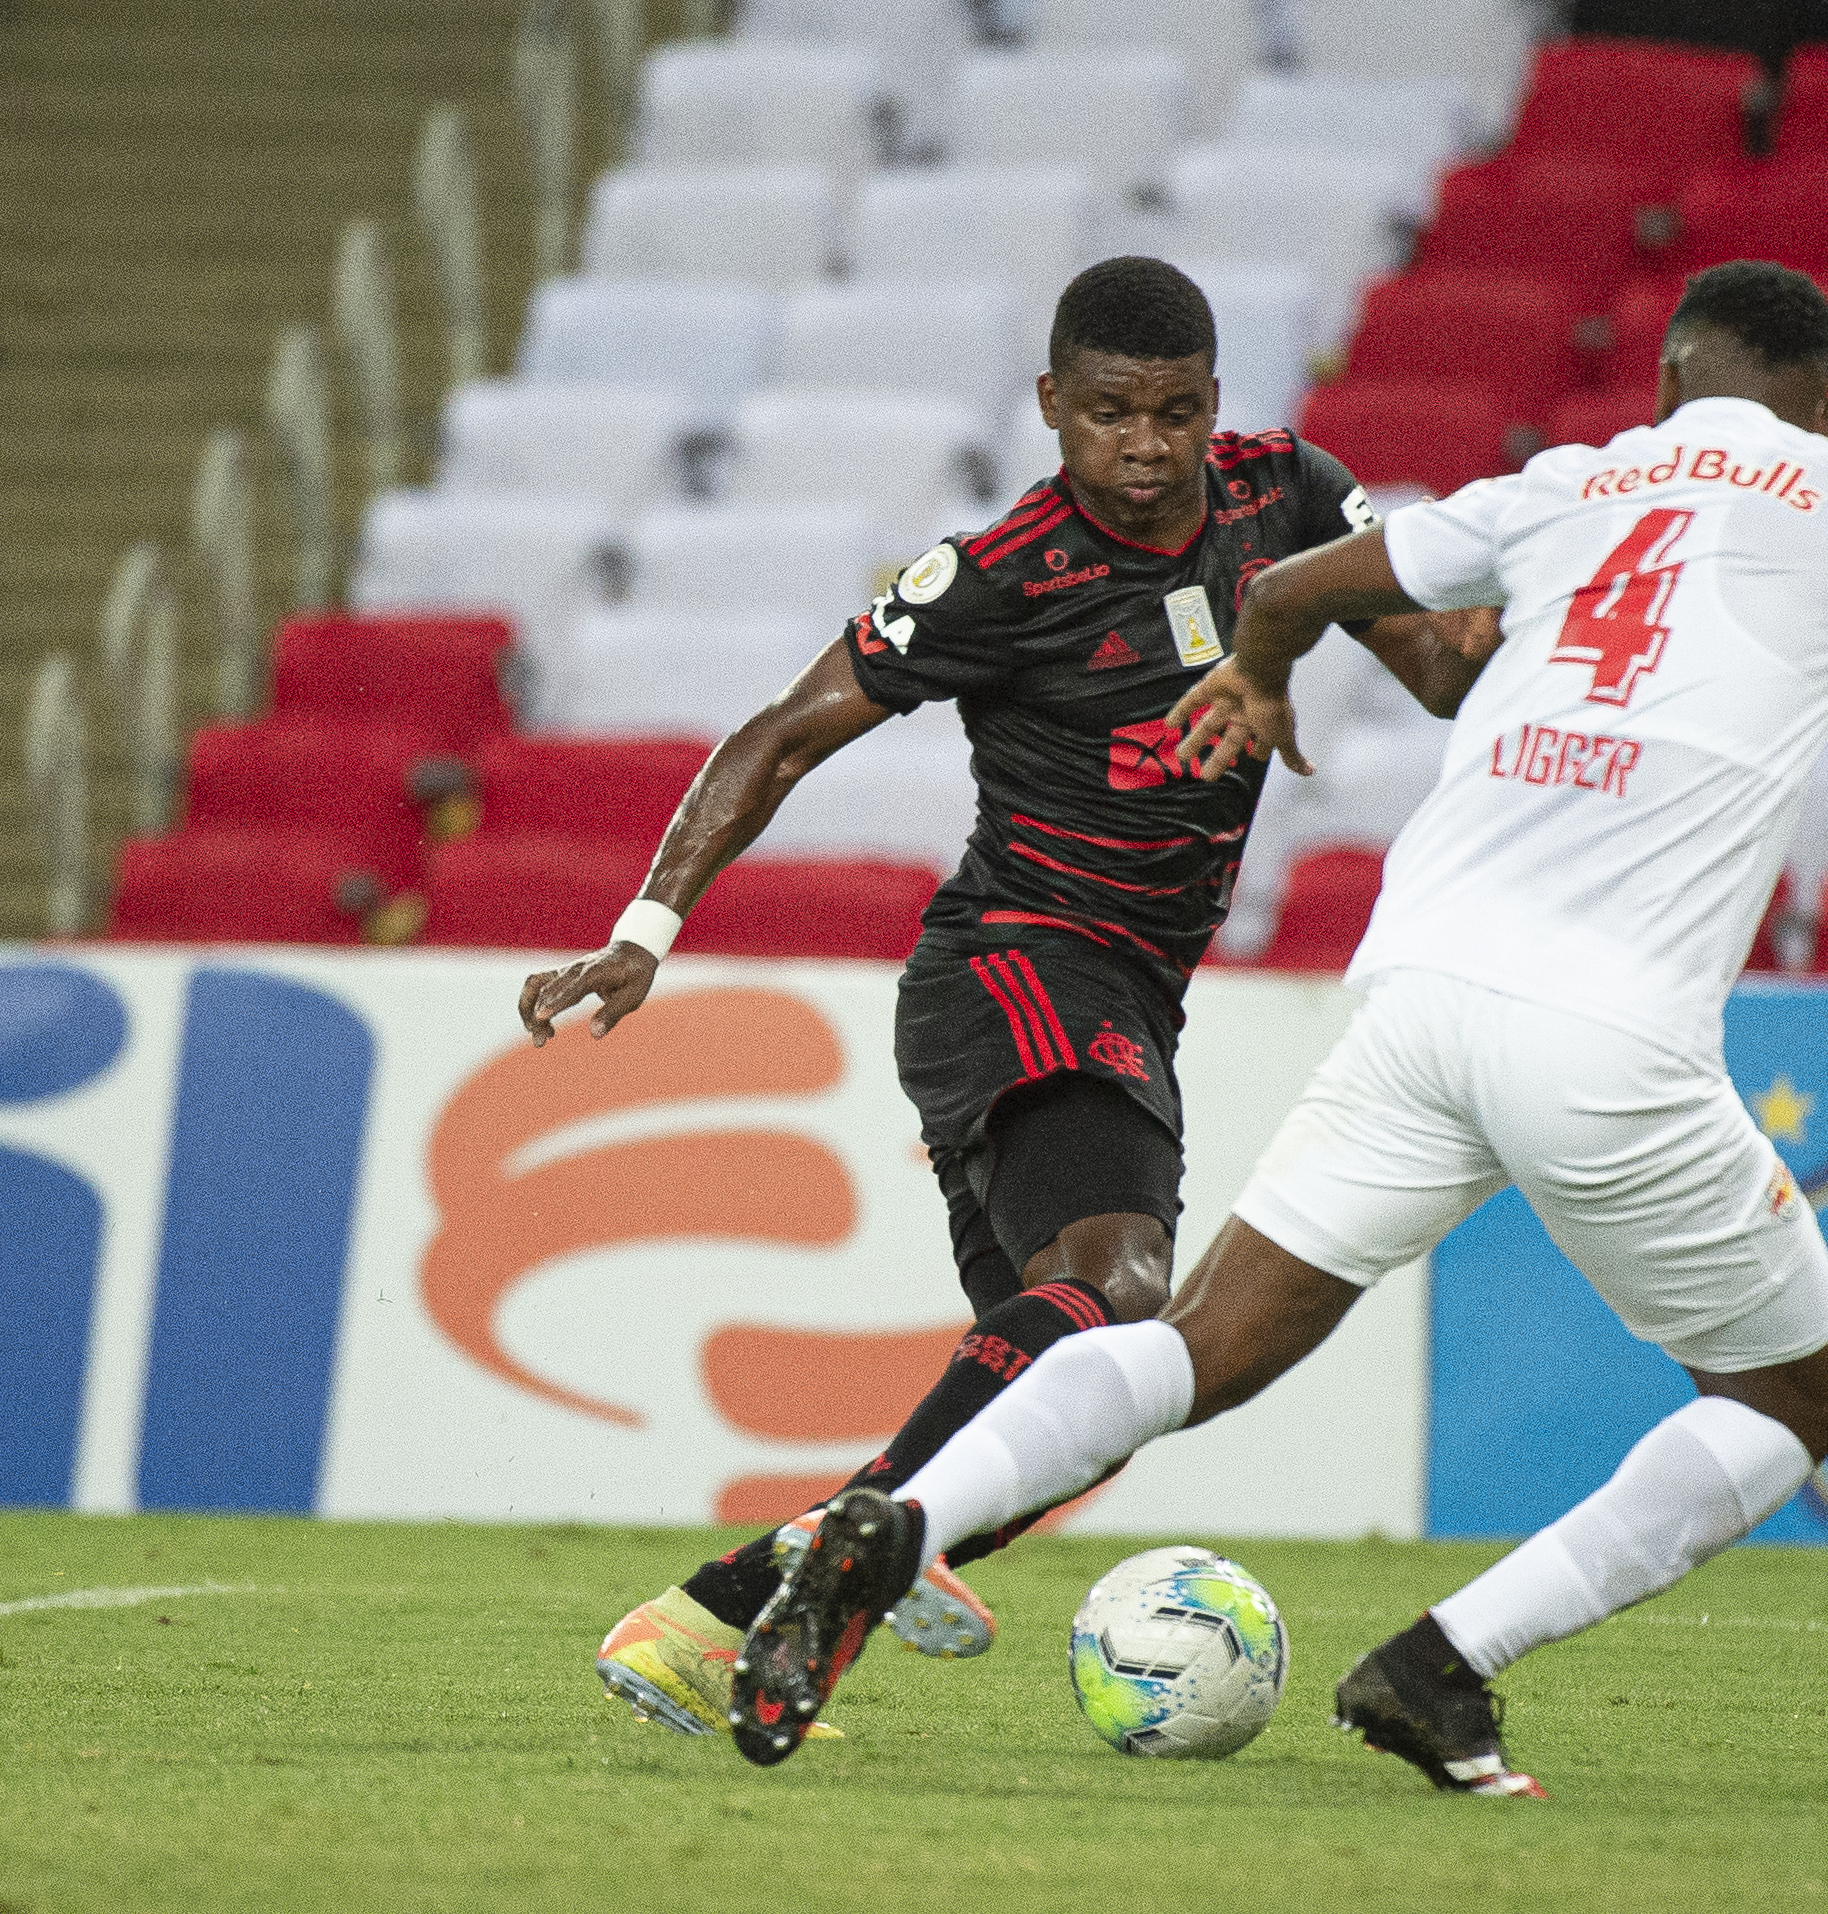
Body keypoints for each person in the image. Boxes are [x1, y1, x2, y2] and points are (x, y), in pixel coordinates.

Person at [724, 260, 1828, 1783]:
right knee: (1796, 1393)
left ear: (1670, 381)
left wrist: (1261, 677)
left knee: (1204, 1344)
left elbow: (1281, 583)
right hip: (1603, 1037)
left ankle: (896, 1524)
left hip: (1418, 989)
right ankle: (1443, 1662)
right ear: (1821, 403)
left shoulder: (1573, 479)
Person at [530, 257, 1498, 1741]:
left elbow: (1439, 668)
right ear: (1051, 407)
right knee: (1119, 1290)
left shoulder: (1287, 495)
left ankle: (705, 1620)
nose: (1145, 444)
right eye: (1109, 411)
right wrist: (644, 928)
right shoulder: (1004, 574)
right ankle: (843, 1574)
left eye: (1175, 411)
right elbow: (785, 734)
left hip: (1130, 994)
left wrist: (1519, 636)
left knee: (1072, 1411)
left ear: (1214, 406)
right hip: (1018, 960)